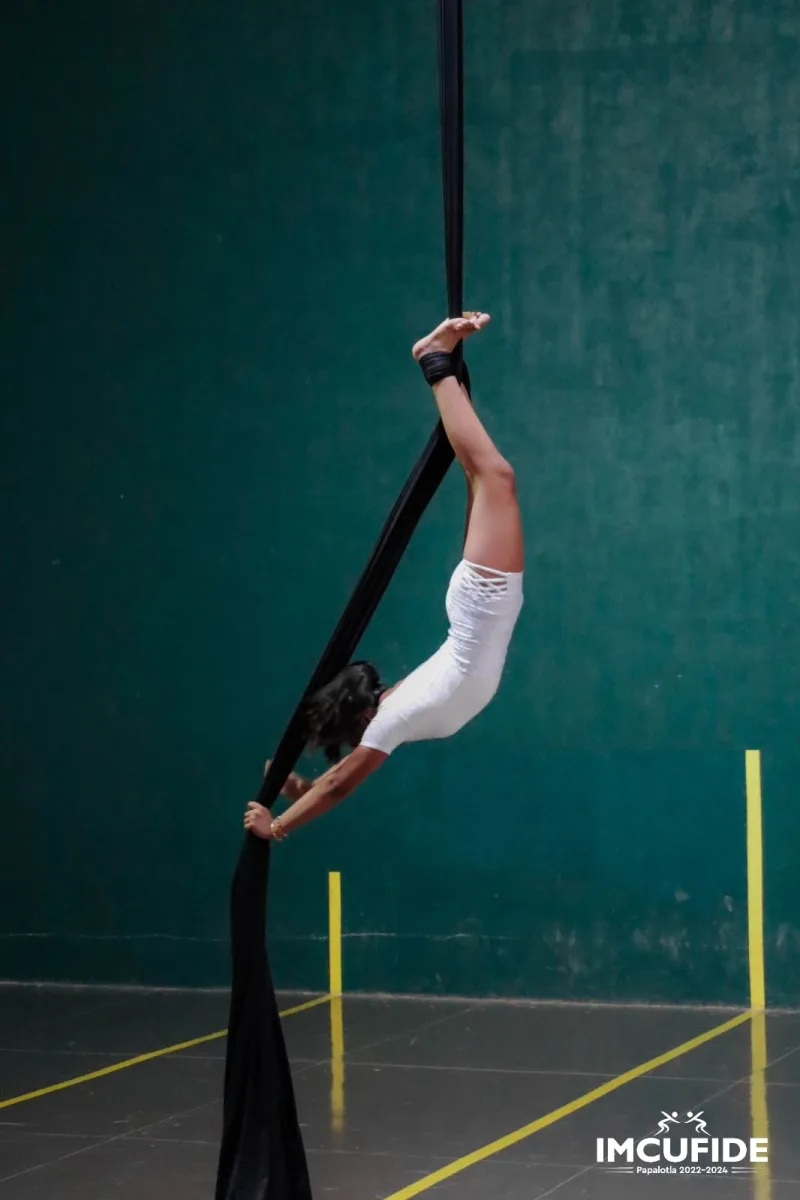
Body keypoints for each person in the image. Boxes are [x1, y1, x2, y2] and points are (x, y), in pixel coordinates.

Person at [244, 312, 523, 841]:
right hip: (482, 602)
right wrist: (278, 822)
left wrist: (289, 808)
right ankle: (438, 367)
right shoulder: (391, 723)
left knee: (492, 475)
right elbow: (339, 784)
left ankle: (438, 364)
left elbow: (337, 781)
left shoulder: (393, 715)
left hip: (484, 600)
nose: (382, 686)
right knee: (484, 474)